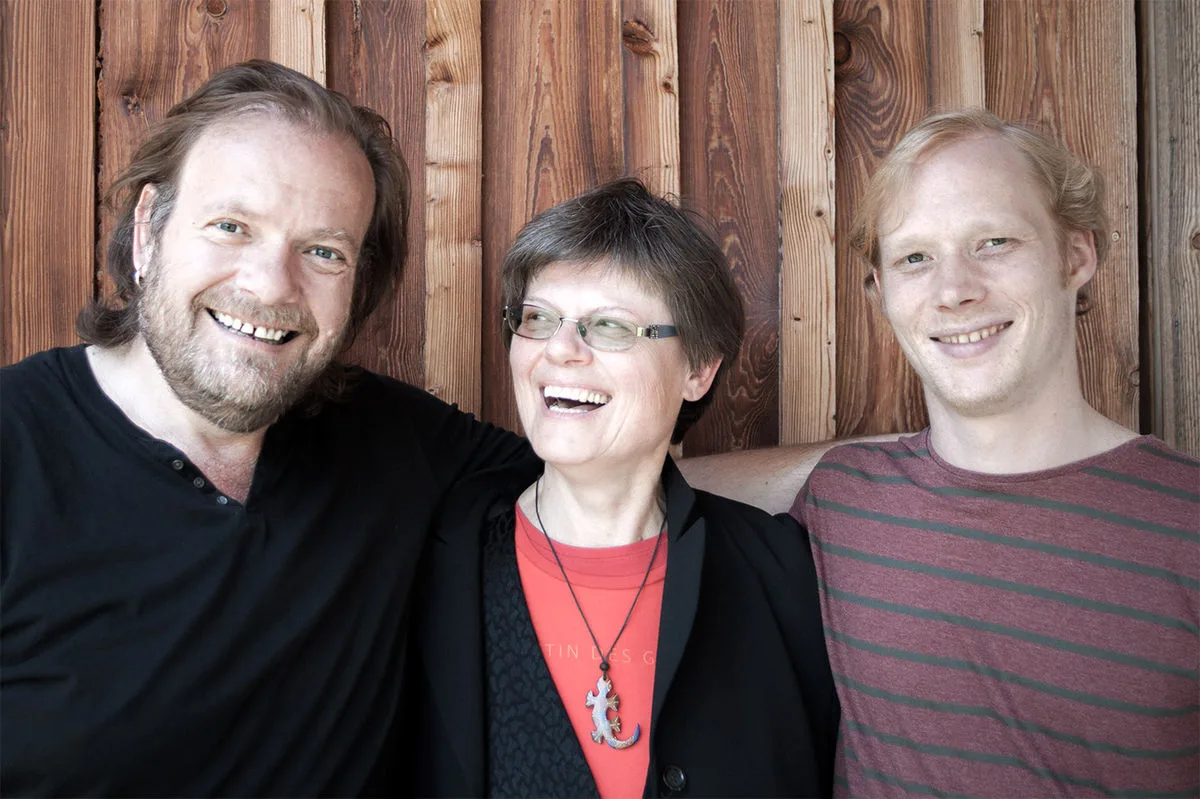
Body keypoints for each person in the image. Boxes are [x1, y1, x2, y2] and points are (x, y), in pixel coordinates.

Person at [0, 60, 531, 795]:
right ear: (149, 232)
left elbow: (611, 491)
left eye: (322, 252)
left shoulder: (397, 442)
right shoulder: (15, 449)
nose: (270, 284)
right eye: (230, 226)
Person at [790, 110, 1199, 796]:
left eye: (994, 241)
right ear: (881, 292)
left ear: (1076, 255)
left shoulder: (1188, 524)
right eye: (914, 258)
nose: (954, 290)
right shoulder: (841, 499)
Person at [399, 179, 840, 797]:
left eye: (609, 326)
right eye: (538, 318)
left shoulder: (783, 573)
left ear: (698, 369)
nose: (559, 350)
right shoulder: (429, 567)